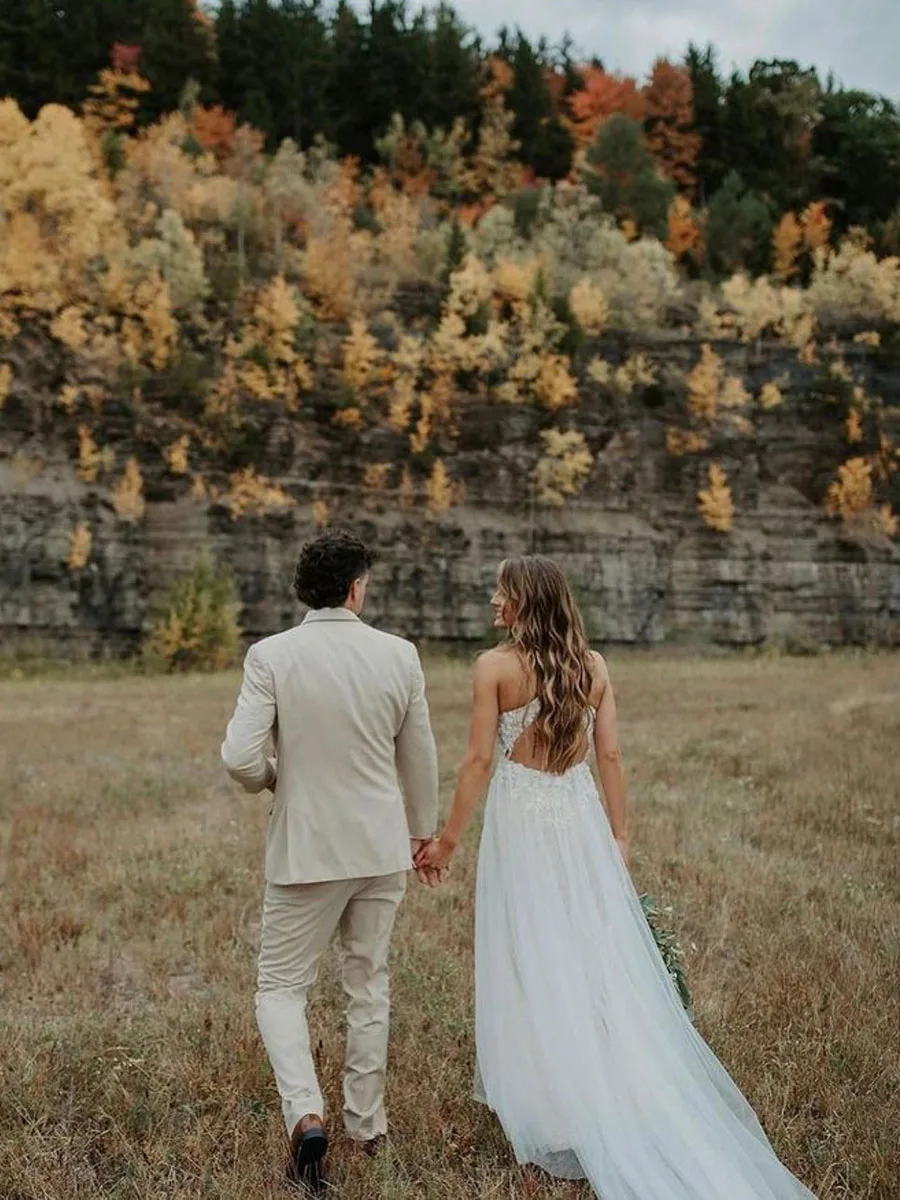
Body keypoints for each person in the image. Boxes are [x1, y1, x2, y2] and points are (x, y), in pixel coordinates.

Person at [415, 555, 817, 1200]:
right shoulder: (593, 667)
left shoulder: (493, 667)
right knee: (590, 955)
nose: (493, 602)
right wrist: (619, 836)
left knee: (533, 955)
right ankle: (592, 1089)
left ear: (525, 600)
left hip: (522, 824)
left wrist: (447, 843)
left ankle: (552, 1111)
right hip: (579, 822)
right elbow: (610, 756)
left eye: (502, 593)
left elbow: (477, 761)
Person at [221, 529, 439, 1193]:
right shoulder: (398, 655)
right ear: (354, 587)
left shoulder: (272, 656)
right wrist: (422, 831)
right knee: (368, 983)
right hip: (380, 846)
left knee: (281, 989)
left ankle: (305, 1115)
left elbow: (237, 756)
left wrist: (273, 777)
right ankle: (366, 1125)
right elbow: (420, 755)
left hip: (306, 849)